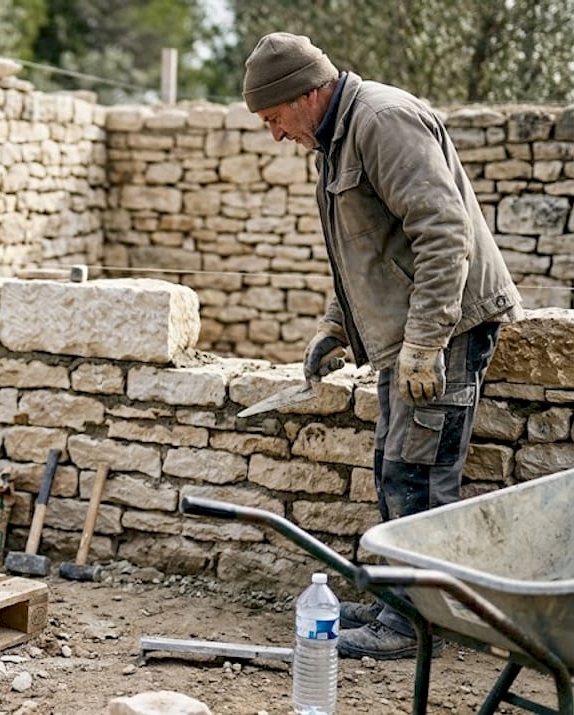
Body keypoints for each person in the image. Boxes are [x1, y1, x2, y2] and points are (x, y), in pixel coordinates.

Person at [242, 33, 523, 659]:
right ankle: (400, 604)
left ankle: (417, 628)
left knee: (419, 474)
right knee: (395, 468)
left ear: (307, 93)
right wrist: (335, 325)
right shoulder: (336, 137)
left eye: (275, 118)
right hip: (412, 334)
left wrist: (426, 343)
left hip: (445, 327)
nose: (275, 134)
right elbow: (363, 252)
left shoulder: (381, 122)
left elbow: (443, 233)